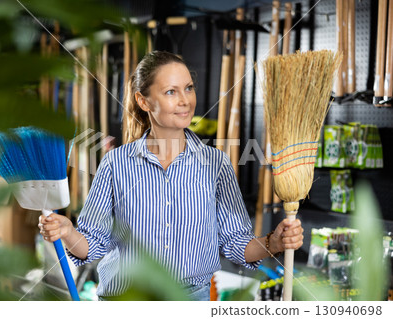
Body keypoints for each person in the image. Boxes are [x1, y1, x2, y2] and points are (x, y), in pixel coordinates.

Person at [39, 51, 304, 301]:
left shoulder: (216, 165)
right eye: (171, 92)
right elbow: (92, 244)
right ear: (144, 101)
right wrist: (68, 231)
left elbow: (237, 243)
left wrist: (275, 242)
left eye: (188, 88)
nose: (185, 100)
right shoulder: (116, 164)